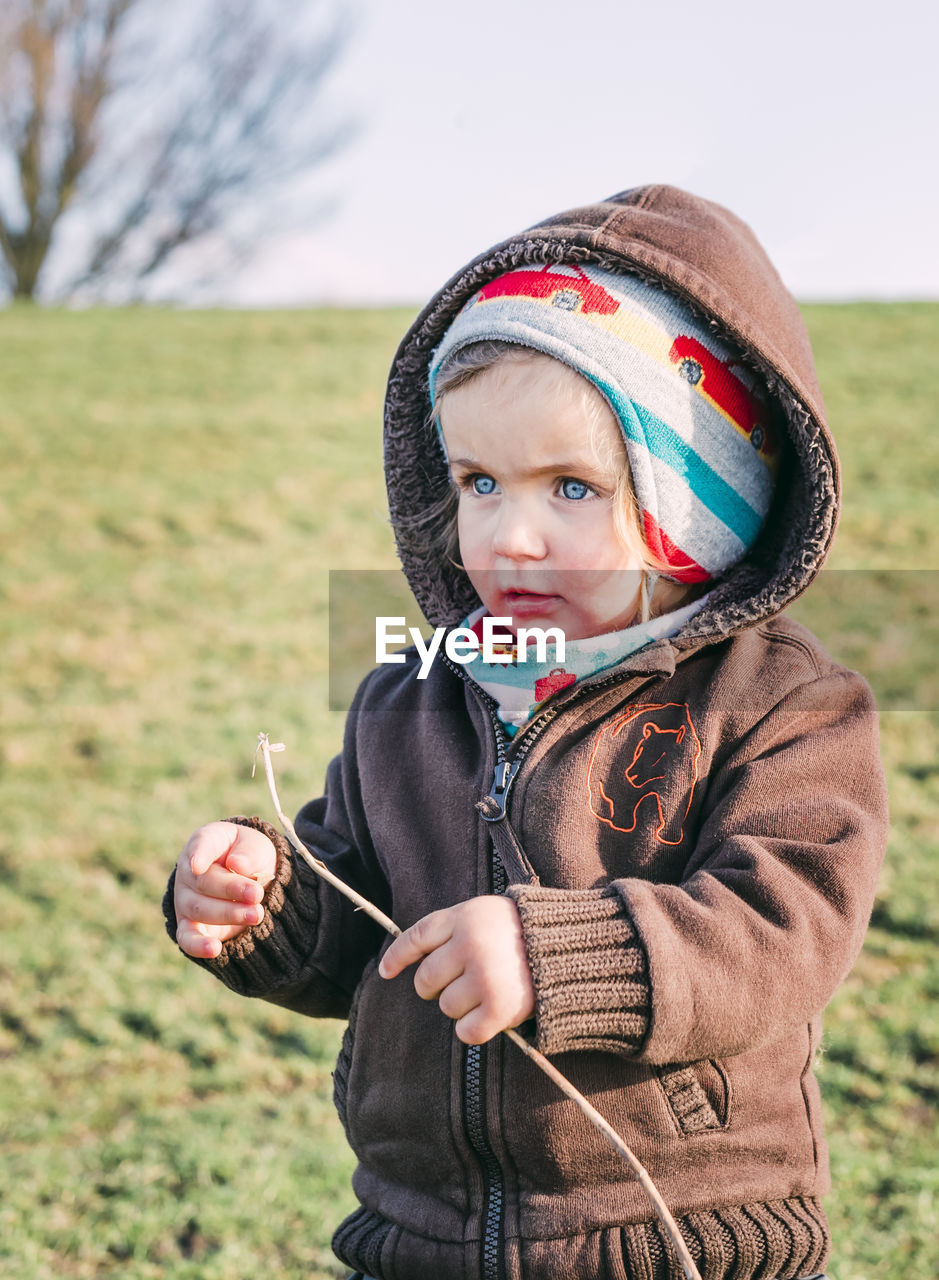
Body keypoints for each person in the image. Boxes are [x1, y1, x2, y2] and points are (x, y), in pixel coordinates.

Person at [164, 184, 887, 1280]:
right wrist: (266, 897)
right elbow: (351, 920)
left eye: (573, 486)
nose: (513, 534)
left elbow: (783, 927)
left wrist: (555, 960)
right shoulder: (409, 697)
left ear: (695, 507)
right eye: (480, 480)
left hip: (681, 1235)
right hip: (422, 1236)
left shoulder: (781, 705)